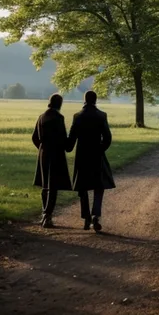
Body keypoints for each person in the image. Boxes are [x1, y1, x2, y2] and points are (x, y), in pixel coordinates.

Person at [67, 90, 115, 232]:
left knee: (83, 188)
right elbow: (107, 138)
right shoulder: (101, 116)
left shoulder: (77, 117)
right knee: (98, 187)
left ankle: (86, 217)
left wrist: (64, 145)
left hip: (82, 156)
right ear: (95, 100)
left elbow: (71, 141)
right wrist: (100, 150)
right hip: (97, 155)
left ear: (84, 100)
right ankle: (96, 215)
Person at [32, 93, 72, 228]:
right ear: (59, 104)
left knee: (45, 186)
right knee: (53, 186)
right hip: (56, 154)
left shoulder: (41, 117)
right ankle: (48, 216)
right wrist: (68, 145)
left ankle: (44, 212)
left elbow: (34, 138)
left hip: (44, 153)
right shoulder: (59, 118)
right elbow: (62, 137)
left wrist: (42, 148)